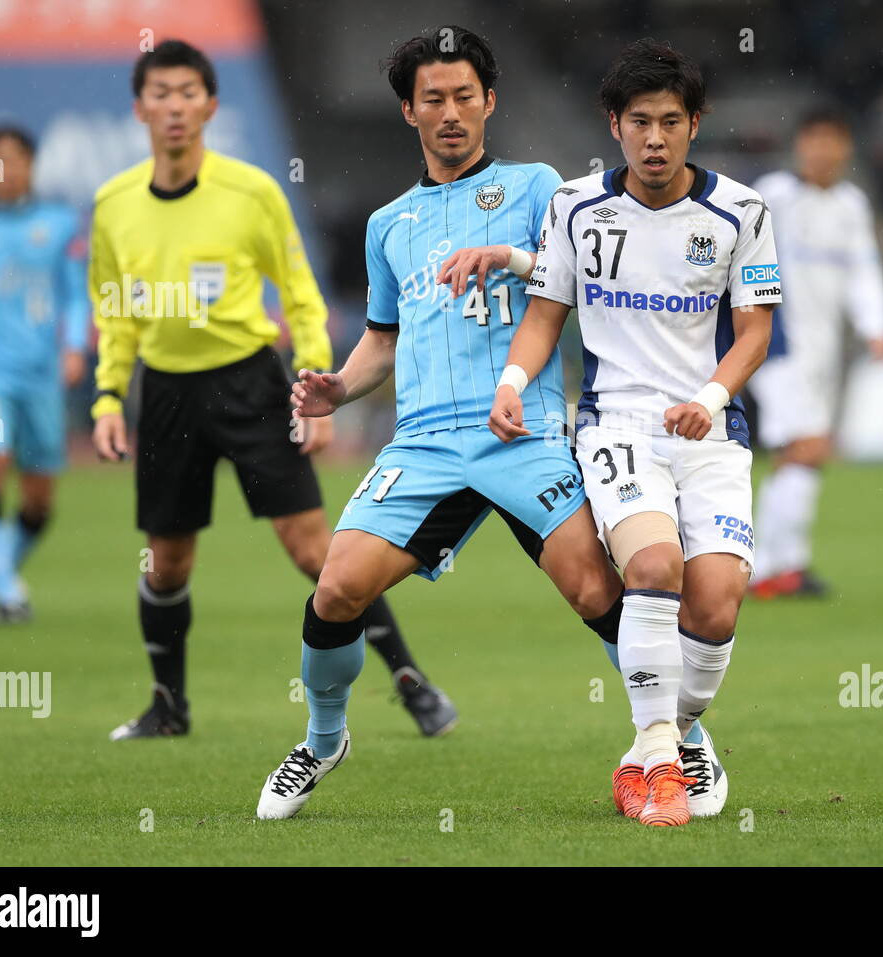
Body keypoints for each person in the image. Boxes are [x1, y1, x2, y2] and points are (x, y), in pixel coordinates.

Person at [255, 26, 628, 820]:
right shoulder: (388, 224)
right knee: (337, 588)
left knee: (594, 585)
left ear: (490, 101)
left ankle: (675, 739)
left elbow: (580, 283)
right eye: (434, 99)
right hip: (423, 444)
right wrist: (339, 389)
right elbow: (384, 338)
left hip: (521, 431)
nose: (451, 112)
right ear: (408, 111)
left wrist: (512, 259)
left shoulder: (537, 187)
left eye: (464, 96)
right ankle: (323, 739)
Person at [89, 39, 454, 741]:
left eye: (187, 93)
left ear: (210, 105)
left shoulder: (251, 191)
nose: (174, 107)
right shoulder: (113, 205)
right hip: (164, 394)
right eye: (160, 94)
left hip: (249, 385)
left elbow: (300, 293)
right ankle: (168, 706)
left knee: (318, 554)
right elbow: (115, 314)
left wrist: (314, 384)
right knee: (166, 564)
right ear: (140, 108)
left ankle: (412, 683)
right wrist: (108, 397)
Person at [489, 39, 781, 827]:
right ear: (613, 123)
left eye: (671, 122)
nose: (655, 139)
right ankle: (662, 765)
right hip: (616, 423)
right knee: (654, 565)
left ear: (696, 124)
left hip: (711, 429)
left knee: (715, 607)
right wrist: (512, 383)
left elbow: (754, 331)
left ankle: (660, 742)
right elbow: (544, 313)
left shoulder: (741, 213)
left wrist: (711, 396)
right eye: (640, 122)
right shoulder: (575, 207)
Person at [749, 105, 883, 599]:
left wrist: (876, 325)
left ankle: (782, 565)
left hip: (826, 350)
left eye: (832, 140)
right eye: (814, 139)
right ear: (799, 145)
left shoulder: (851, 204)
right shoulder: (774, 195)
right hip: (778, 344)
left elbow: (863, 269)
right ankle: (770, 567)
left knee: (805, 453)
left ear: (845, 148)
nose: (823, 151)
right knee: (806, 445)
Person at [0, 126, 87, 623]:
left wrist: (74, 347)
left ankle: (2, 570)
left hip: (40, 371)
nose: (7, 170)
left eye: (16, 158)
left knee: (39, 498)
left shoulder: (59, 225)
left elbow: (75, 294)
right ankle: (6, 591)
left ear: (31, 164)